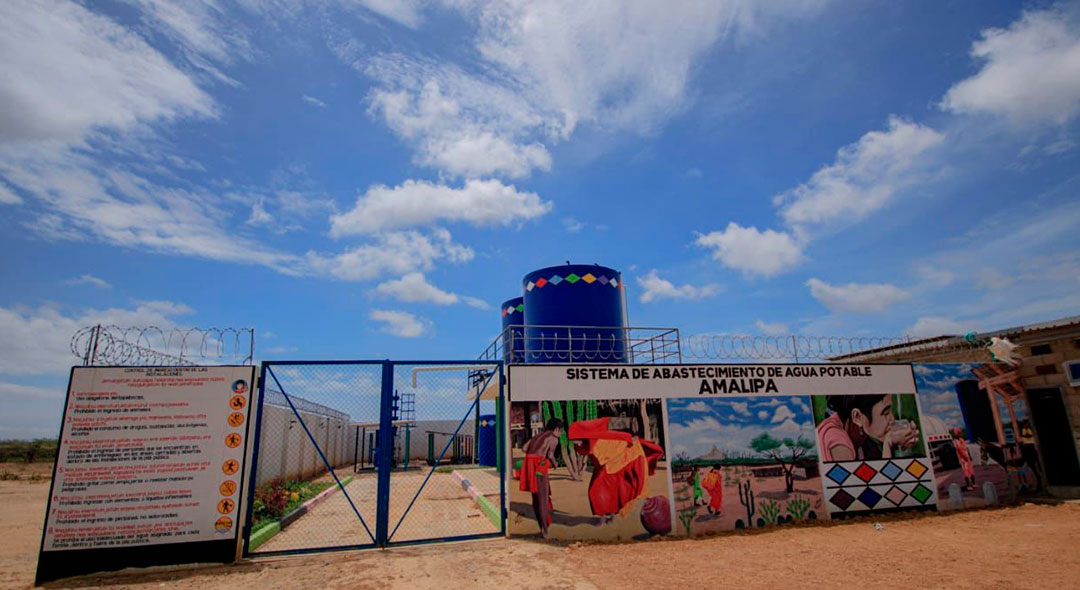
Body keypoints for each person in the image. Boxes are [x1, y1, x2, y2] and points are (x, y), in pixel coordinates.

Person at [568, 417, 664, 524]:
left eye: (576, 441)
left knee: (608, 490)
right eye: (573, 442)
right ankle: (605, 518)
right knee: (599, 491)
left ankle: (608, 518)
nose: (575, 444)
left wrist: (629, 439)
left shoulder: (601, 441)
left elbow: (617, 438)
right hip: (610, 466)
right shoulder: (585, 444)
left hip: (627, 458)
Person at [816, 395, 919, 462]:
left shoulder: (862, 437)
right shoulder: (837, 441)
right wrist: (888, 444)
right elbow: (854, 490)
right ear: (857, 417)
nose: (892, 419)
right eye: (886, 413)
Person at [520, 419, 563, 536]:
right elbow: (550, 454)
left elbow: (524, 448)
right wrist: (554, 463)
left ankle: (542, 527)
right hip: (539, 464)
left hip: (529, 464)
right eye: (561, 430)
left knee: (535, 497)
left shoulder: (537, 436)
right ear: (556, 429)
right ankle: (545, 530)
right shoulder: (554, 438)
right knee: (542, 497)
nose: (561, 433)